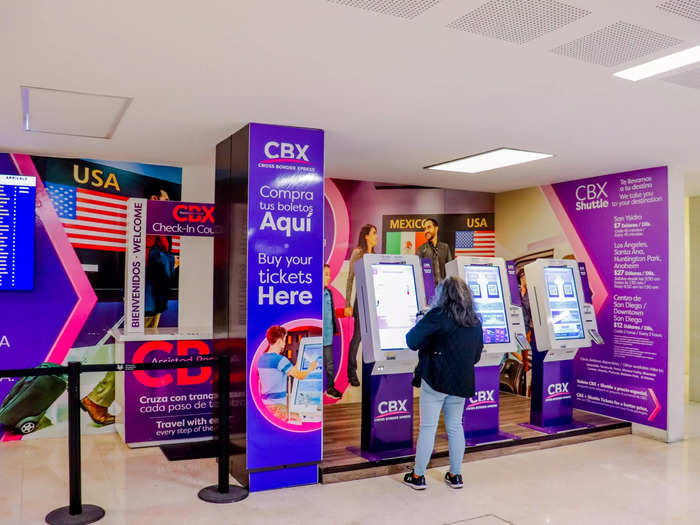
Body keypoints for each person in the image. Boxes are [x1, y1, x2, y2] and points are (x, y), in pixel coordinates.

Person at [80, 185, 177, 425]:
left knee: (142, 352)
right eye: (165, 200)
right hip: (146, 299)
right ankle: (97, 399)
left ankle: (110, 399)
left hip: (153, 298)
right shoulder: (147, 225)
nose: (168, 204)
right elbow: (142, 263)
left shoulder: (156, 226)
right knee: (133, 352)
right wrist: (169, 261)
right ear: (153, 198)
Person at [403, 276, 483, 490]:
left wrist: (424, 322)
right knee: (456, 427)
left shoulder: (438, 315)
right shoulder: (474, 320)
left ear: (443, 295)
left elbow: (411, 340)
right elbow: (476, 356)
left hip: (436, 380)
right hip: (461, 381)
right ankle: (455, 475)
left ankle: (418, 476)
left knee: (428, 427)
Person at [258, 325, 319, 420]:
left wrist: (300, 360)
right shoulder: (280, 360)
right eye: (284, 339)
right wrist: (311, 367)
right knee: (298, 418)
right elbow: (300, 376)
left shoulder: (262, 358)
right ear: (279, 341)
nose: (285, 343)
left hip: (264, 406)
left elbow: (285, 371)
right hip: (278, 407)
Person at [344, 224, 378, 387]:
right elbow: (351, 278)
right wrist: (347, 303)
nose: (376, 236)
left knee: (372, 339)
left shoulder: (375, 255)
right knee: (357, 336)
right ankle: (351, 373)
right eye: (374, 233)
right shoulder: (358, 253)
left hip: (374, 301)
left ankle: (371, 369)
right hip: (361, 300)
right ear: (366, 236)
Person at [323, 264, 342, 399]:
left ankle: (330, 387)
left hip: (328, 335)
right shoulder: (311, 294)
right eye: (325, 274)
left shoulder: (328, 293)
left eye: (329, 274)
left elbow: (332, 312)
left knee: (330, 363)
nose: (328, 277)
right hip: (317, 335)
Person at [416, 218, 452, 284]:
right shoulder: (421, 249)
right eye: (425, 229)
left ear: (436, 228)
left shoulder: (445, 247)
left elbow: (450, 270)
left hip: (443, 289)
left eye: (429, 227)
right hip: (428, 290)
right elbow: (418, 272)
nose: (426, 231)